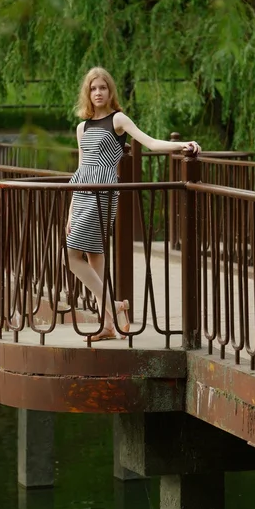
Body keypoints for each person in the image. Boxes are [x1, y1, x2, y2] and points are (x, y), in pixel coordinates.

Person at [66, 67, 201, 342]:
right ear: (87, 94)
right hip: (81, 192)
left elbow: (150, 143)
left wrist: (182, 145)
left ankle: (115, 308)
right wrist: (70, 213)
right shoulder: (82, 127)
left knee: (70, 258)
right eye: (93, 88)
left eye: (103, 87)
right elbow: (80, 167)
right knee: (94, 259)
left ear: (110, 91)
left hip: (102, 192)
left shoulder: (118, 120)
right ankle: (108, 324)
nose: (98, 92)